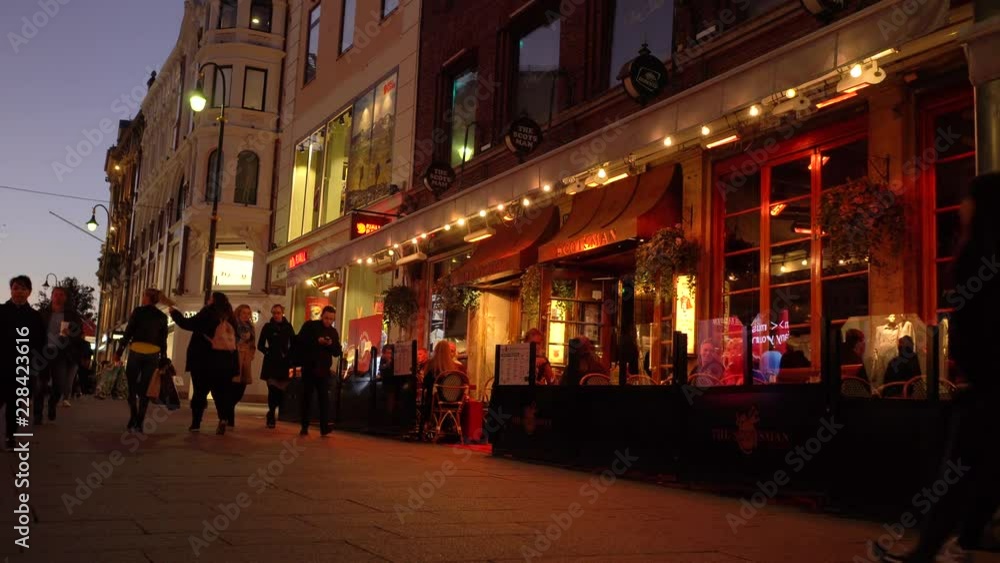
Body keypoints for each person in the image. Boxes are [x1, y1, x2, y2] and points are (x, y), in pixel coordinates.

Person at [881, 173, 1000, 563]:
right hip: (986, 383)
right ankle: (961, 542)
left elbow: (974, 324)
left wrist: (969, 372)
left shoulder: (976, 254)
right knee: (980, 470)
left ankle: (933, 548)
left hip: (985, 385)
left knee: (960, 470)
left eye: (968, 199)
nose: (961, 206)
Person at [170, 292, 239, 435]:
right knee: (220, 393)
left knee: (200, 392)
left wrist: (174, 313)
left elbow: (188, 324)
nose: (208, 301)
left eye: (210, 298)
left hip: (203, 361)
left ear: (213, 301)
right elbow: (235, 339)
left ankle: (196, 423)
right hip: (224, 362)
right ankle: (223, 418)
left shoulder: (207, 313)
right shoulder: (230, 317)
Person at [1, 276, 46, 450]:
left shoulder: (35, 317)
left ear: (29, 292)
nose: (19, 292)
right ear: (11, 290)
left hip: (22, 367)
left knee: (14, 403)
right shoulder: (1, 311)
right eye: (16, 288)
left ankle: (10, 437)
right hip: (1, 364)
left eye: (23, 289)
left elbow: (40, 344)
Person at [115, 288, 168, 433]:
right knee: (145, 389)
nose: (142, 298)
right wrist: (163, 357)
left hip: (136, 351)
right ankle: (140, 420)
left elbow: (128, 332)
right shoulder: (162, 317)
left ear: (147, 298)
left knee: (130, 386)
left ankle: (133, 415)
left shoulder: (138, 312)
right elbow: (163, 340)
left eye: (144, 296)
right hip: (153, 354)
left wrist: (119, 351)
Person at [36, 286, 87, 423]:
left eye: (61, 295)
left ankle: (52, 403)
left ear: (65, 298)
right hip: (43, 352)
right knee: (40, 384)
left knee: (59, 385)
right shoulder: (43, 313)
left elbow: (79, 333)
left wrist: (71, 334)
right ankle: (38, 413)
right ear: (51, 296)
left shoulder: (72, 315)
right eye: (56, 294)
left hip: (61, 353)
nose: (58, 297)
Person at [294, 305, 342, 437]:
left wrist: (330, 344)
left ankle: (324, 427)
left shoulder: (333, 332)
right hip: (309, 367)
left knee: (324, 399)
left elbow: (337, 351)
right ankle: (304, 426)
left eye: (331, 319)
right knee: (307, 398)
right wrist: (317, 341)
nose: (328, 321)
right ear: (322, 316)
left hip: (323, 370)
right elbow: (300, 340)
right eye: (326, 318)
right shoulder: (310, 326)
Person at [257, 304, 295, 429]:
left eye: (278, 313)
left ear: (282, 313)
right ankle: (271, 414)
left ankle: (272, 411)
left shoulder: (288, 327)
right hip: (271, 363)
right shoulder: (268, 327)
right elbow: (260, 345)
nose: (276, 315)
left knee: (281, 392)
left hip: (285, 363)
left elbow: (293, 343)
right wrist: (268, 352)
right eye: (274, 313)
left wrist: (290, 355)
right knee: (272, 390)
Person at [421, 340, 466, 432]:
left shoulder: (431, 365)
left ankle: (428, 423)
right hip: (453, 401)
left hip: (436, 401)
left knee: (428, 395)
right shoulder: (454, 367)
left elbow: (426, 384)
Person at [230, 304, 256, 428]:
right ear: (239, 313)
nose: (246, 315)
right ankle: (229, 415)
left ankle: (228, 409)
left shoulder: (251, 327)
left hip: (246, 359)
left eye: (248, 313)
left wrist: (251, 355)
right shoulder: (233, 325)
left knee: (241, 388)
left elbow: (253, 344)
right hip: (236, 357)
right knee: (234, 386)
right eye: (244, 313)